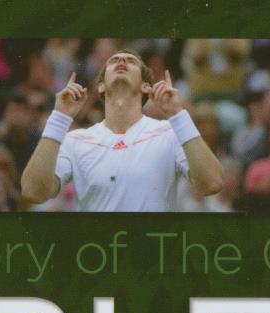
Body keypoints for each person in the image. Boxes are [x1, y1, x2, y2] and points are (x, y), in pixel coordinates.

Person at [21, 49, 221, 211]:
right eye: (114, 61)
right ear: (101, 86)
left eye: (131, 61)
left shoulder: (170, 132)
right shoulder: (75, 140)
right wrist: (59, 118)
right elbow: (33, 192)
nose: (122, 61)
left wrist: (178, 114)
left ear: (145, 86)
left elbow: (212, 183)